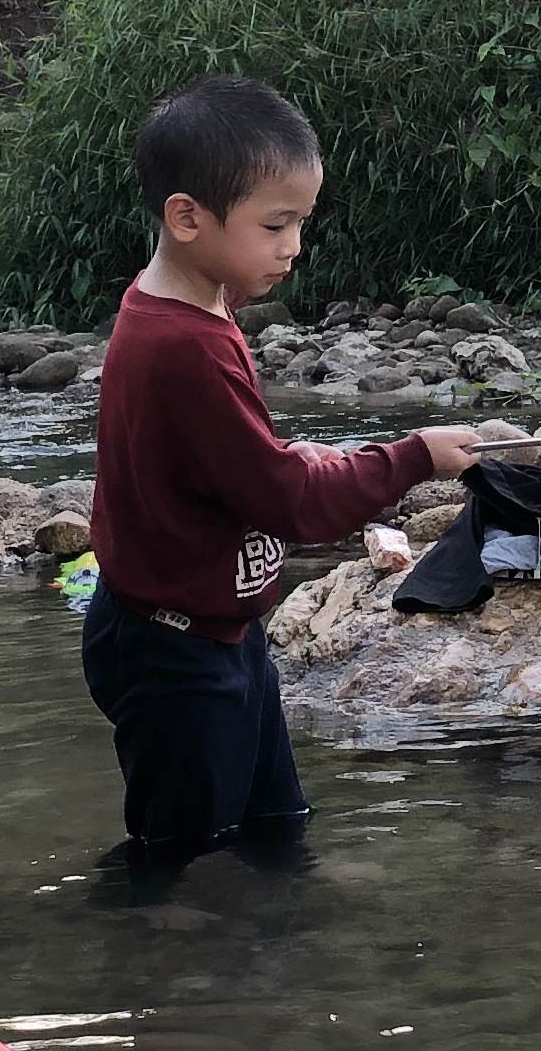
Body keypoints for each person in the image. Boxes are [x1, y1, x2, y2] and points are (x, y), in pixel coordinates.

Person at [84, 79, 482, 863]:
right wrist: (413, 456)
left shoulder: (191, 303)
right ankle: (144, 965)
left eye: (301, 221)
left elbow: (235, 466)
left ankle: (274, 970)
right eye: (275, 224)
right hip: (176, 656)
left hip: (215, 633)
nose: (294, 246)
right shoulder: (184, 346)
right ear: (187, 216)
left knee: (274, 829)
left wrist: (303, 458)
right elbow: (293, 503)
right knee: (181, 859)